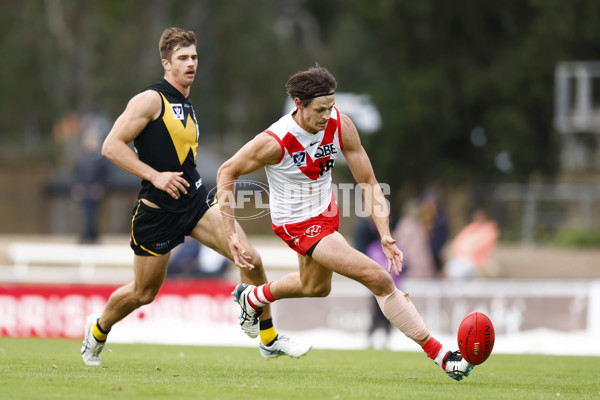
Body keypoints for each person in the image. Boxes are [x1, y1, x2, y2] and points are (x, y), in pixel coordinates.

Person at [217, 65, 474, 381]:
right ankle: (443, 356)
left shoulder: (340, 123)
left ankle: (252, 297)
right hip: (297, 225)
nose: (327, 115)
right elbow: (226, 171)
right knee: (378, 278)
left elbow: (367, 180)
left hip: (326, 213)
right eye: (319, 109)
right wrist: (231, 233)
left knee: (316, 287)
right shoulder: (275, 141)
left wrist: (385, 235)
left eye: (331, 107)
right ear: (299, 104)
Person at [81, 27, 310, 366]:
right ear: (166, 63)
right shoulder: (149, 100)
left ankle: (268, 339)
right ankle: (97, 332)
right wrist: (155, 175)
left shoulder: (185, 102)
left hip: (195, 202)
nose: (191, 64)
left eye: (194, 57)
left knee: (251, 259)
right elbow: (110, 146)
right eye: (183, 58)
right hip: (157, 211)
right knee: (143, 293)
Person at [444, 208, 500, 280]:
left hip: (475, 260)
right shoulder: (470, 228)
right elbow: (458, 242)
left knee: (458, 272)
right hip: (462, 257)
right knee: (448, 270)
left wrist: (466, 252)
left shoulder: (489, 231)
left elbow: (478, 248)